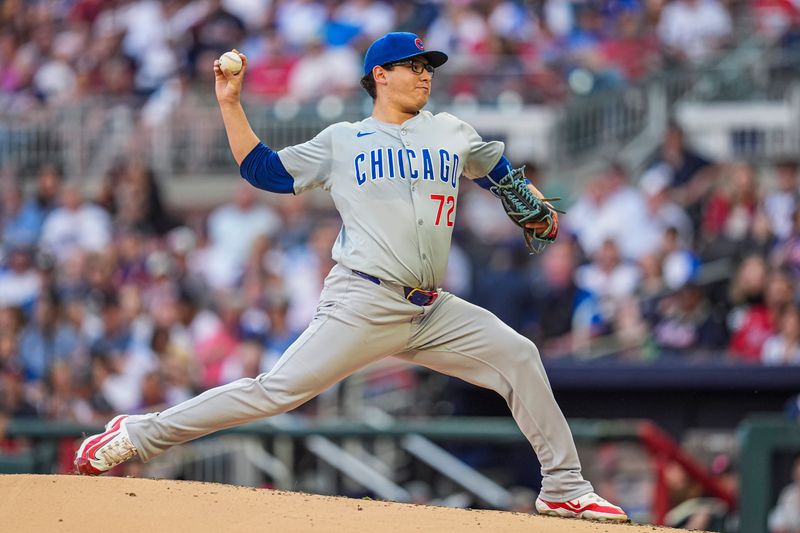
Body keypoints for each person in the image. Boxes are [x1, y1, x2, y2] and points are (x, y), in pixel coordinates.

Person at [73, 32, 627, 522]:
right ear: (379, 76)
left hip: (431, 309)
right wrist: (231, 103)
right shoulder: (343, 141)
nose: (425, 74)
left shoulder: (452, 130)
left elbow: (497, 171)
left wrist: (529, 203)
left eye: (429, 66)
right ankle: (137, 434)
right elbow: (262, 170)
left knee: (519, 355)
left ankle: (563, 487)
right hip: (362, 300)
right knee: (276, 393)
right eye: (413, 66)